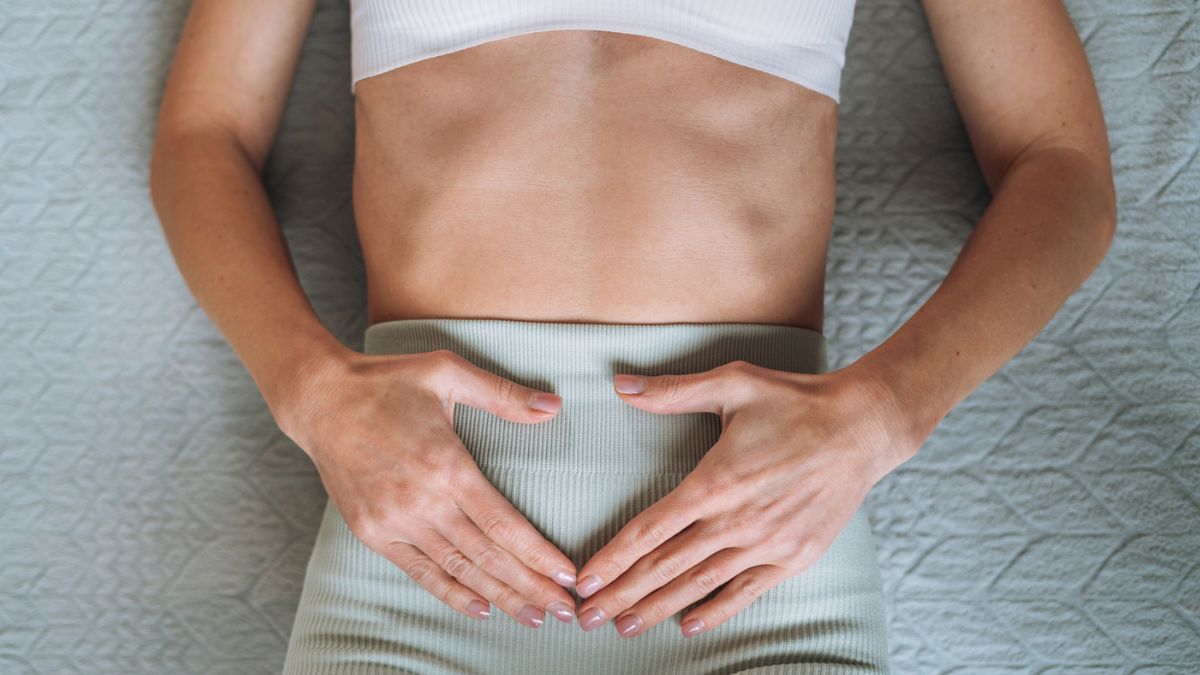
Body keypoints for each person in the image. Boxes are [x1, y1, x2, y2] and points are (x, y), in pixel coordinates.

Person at [148, 0, 1116, 672]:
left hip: (755, 562)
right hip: (419, 555)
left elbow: (1059, 164)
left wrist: (889, 413)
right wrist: (308, 390)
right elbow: (206, 133)